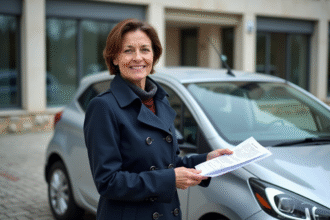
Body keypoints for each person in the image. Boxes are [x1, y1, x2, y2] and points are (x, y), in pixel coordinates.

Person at [84, 18, 233, 220]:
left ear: (153, 56)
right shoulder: (103, 107)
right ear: (115, 58)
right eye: (128, 50)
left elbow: (167, 163)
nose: (138, 57)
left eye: (145, 49)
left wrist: (205, 161)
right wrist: (170, 180)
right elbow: (108, 182)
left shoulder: (160, 100)